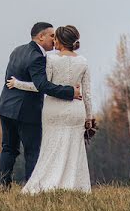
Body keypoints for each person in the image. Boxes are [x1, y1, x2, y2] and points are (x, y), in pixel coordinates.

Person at [6, 24, 94, 193]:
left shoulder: (51, 60)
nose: (54, 41)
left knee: (51, 148)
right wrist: (89, 117)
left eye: (55, 38)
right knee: (74, 149)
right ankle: (75, 186)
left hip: (53, 110)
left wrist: (18, 84)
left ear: (60, 40)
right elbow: (87, 94)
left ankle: (46, 185)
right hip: (76, 111)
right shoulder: (82, 62)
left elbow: (41, 86)